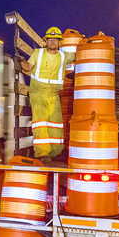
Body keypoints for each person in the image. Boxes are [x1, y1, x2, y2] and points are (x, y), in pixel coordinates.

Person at [18, 27, 76, 163]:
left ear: (59, 42)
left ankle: (56, 152)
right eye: (50, 39)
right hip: (38, 93)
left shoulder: (64, 56)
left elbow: (80, 55)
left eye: (55, 39)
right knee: (41, 123)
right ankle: (42, 153)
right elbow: (27, 67)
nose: (52, 42)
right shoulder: (38, 53)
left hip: (53, 94)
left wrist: (89, 44)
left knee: (55, 124)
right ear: (46, 41)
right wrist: (20, 60)